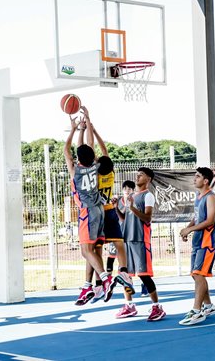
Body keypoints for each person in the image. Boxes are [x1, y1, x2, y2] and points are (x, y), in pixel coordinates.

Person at [64, 115, 116, 305]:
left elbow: (67, 151)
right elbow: (89, 147)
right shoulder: (95, 166)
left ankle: (105, 278)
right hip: (99, 210)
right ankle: (88, 286)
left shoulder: (75, 170)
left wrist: (75, 128)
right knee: (91, 250)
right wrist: (85, 127)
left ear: (78, 158)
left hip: (86, 212)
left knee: (86, 251)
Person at [86, 116, 134, 301]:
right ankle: (123, 271)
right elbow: (104, 150)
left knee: (96, 248)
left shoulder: (94, 175)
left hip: (99, 211)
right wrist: (95, 129)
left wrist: (88, 128)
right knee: (119, 242)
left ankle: (99, 284)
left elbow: (93, 150)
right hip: (110, 210)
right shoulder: (111, 173)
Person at [113, 167, 166, 321]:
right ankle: (129, 306)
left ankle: (157, 307)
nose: (137, 177)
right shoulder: (132, 196)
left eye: (141, 175)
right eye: (137, 174)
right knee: (126, 275)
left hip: (141, 239)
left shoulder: (148, 196)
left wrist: (132, 207)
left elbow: (147, 218)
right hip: (127, 239)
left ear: (148, 179)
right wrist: (117, 208)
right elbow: (124, 218)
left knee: (144, 276)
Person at [178, 167, 215, 325]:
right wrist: (187, 229)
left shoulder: (211, 197)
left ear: (206, 181)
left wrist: (190, 229)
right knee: (196, 274)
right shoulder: (199, 196)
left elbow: (210, 220)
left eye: (197, 176)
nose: (194, 179)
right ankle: (208, 306)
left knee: (198, 274)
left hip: (208, 242)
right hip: (199, 241)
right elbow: (197, 218)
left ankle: (197, 311)